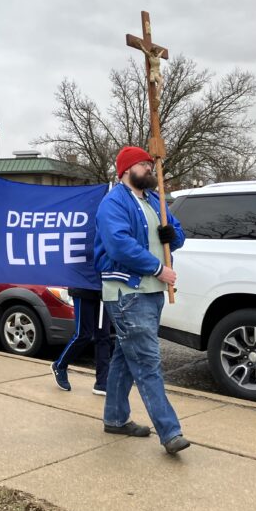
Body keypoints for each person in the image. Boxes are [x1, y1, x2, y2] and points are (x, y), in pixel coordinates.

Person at [94, 146, 190, 455]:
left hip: (151, 293)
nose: (150, 168)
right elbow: (118, 245)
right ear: (126, 170)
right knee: (148, 361)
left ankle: (115, 418)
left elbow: (178, 234)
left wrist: (169, 235)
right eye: (143, 165)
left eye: (150, 164)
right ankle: (170, 431)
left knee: (125, 357)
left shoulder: (153, 201)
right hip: (127, 294)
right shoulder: (113, 203)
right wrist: (159, 268)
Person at [50, 287, 113, 395]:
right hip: (84, 289)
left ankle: (101, 383)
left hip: (104, 291)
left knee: (104, 337)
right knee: (83, 334)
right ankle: (59, 365)